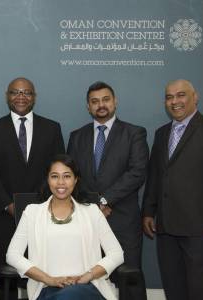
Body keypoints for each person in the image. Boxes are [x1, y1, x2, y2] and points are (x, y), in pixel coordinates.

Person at [0, 77, 65, 299]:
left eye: (26, 92)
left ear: (34, 97)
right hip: (6, 214)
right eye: (15, 92)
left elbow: (58, 171)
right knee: (7, 270)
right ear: (7, 96)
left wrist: (40, 204)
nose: (21, 97)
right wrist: (7, 204)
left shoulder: (52, 128)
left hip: (45, 213)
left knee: (44, 269)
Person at [67, 81, 148, 299]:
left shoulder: (134, 133)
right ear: (88, 106)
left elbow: (137, 172)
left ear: (115, 102)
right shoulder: (77, 137)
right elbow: (71, 177)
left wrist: (105, 200)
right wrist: (92, 206)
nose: (100, 105)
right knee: (88, 281)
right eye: (95, 101)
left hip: (122, 221)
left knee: (129, 280)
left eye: (105, 99)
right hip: (86, 221)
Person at [142, 79, 203, 300]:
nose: (174, 101)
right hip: (166, 228)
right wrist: (149, 211)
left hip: (200, 229)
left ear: (195, 97)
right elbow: (156, 176)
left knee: (200, 291)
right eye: (169, 97)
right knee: (174, 289)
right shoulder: (161, 133)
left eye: (181, 95)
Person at [6, 154, 124, 300]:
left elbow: (116, 253)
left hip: (87, 287)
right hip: (46, 288)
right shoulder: (32, 212)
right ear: (48, 179)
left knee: (69, 296)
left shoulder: (92, 211)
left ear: (75, 179)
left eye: (67, 176)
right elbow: (12, 255)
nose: (61, 182)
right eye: (55, 176)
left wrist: (87, 276)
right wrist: (49, 280)